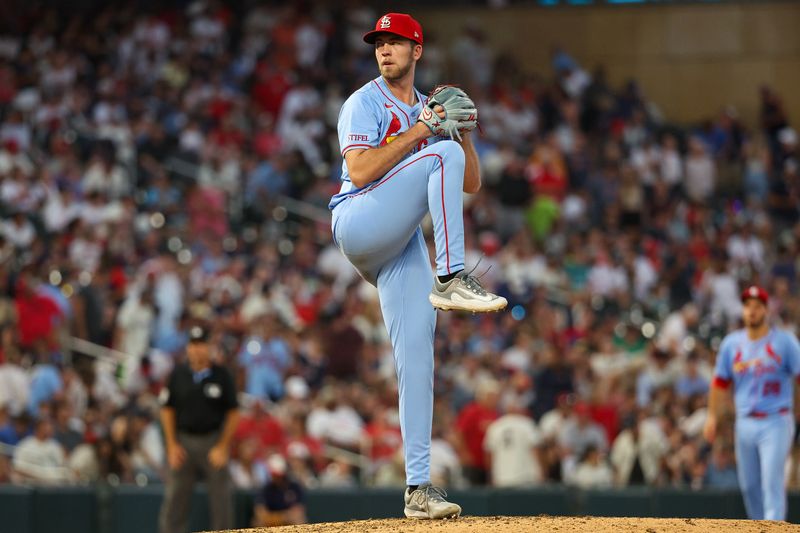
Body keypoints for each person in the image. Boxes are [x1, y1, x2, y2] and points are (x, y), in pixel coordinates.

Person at [328, 12, 506, 519]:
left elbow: (471, 182)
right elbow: (359, 171)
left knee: (417, 356)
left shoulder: (430, 106)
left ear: (417, 51)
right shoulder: (363, 102)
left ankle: (418, 489)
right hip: (359, 221)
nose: (385, 49)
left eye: (396, 42)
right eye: (379, 42)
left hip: (399, 242)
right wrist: (425, 133)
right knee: (440, 154)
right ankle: (450, 275)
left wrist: (464, 134)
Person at [703, 286, 800, 520]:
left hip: (776, 419)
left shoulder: (785, 342)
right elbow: (719, 382)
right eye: (748, 306)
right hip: (744, 422)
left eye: (757, 307)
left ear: (766, 310)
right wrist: (712, 415)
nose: (752, 311)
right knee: (749, 487)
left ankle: (773, 527)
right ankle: (759, 527)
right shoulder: (731, 344)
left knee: (771, 481)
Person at [158, 325, 239, 533]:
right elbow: (167, 410)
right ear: (187, 348)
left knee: (221, 500)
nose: (197, 349)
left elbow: (233, 413)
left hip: (212, 440)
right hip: (183, 441)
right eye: (193, 344)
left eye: (201, 344)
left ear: (210, 347)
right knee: (175, 498)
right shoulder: (179, 374)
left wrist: (222, 446)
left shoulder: (221, 375)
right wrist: (171, 445)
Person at [252, 454, 307, 527]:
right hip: (271, 523)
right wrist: (281, 518)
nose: (278, 478)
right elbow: (260, 513)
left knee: (299, 520)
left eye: (279, 475)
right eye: (275, 475)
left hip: (288, 523)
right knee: (258, 522)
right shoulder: (266, 489)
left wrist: (282, 518)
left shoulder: (294, 487)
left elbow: (298, 512)